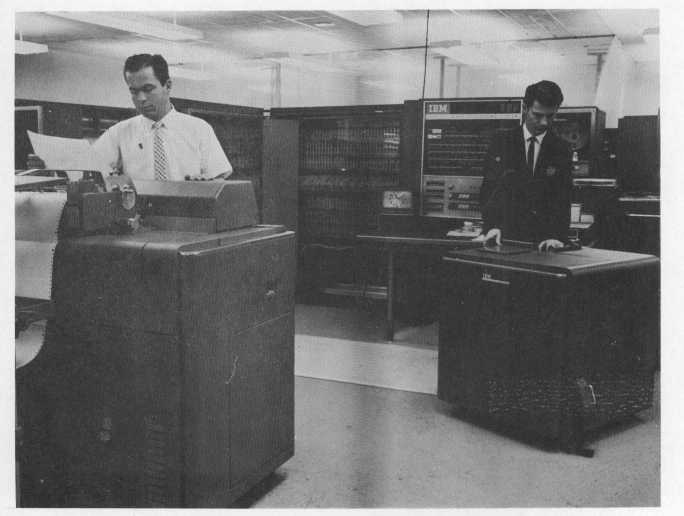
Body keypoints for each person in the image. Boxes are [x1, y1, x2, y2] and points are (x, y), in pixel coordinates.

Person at [28, 54, 232, 181]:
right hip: (139, 218)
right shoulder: (119, 132)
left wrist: (207, 182)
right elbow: (88, 168)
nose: (141, 98)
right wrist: (50, 165)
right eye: (134, 91)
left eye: (148, 89)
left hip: (190, 216)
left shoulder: (199, 128)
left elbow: (219, 176)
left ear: (168, 85)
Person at [477, 80, 572, 251]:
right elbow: (489, 190)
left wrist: (556, 237)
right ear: (525, 108)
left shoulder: (562, 149)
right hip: (503, 238)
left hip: (544, 244)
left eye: (550, 116)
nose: (544, 122)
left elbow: (563, 200)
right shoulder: (501, 142)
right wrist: (491, 226)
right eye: (538, 115)